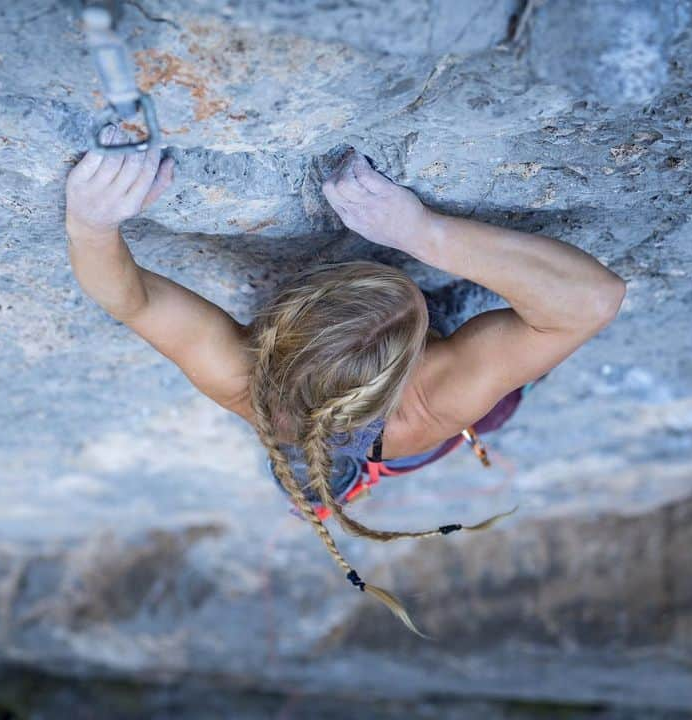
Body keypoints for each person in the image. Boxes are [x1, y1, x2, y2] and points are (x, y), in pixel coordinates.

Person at [64, 127, 626, 633]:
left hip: (337, 414)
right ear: (415, 366)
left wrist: (90, 223)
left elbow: (131, 300)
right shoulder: (434, 401)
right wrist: (424, 235)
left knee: (310, 468)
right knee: (501, 356)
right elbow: (591, 301)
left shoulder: (243, 380)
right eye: (419, 317)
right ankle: (332, 472)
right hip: (413, 434)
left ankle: (321, 478)